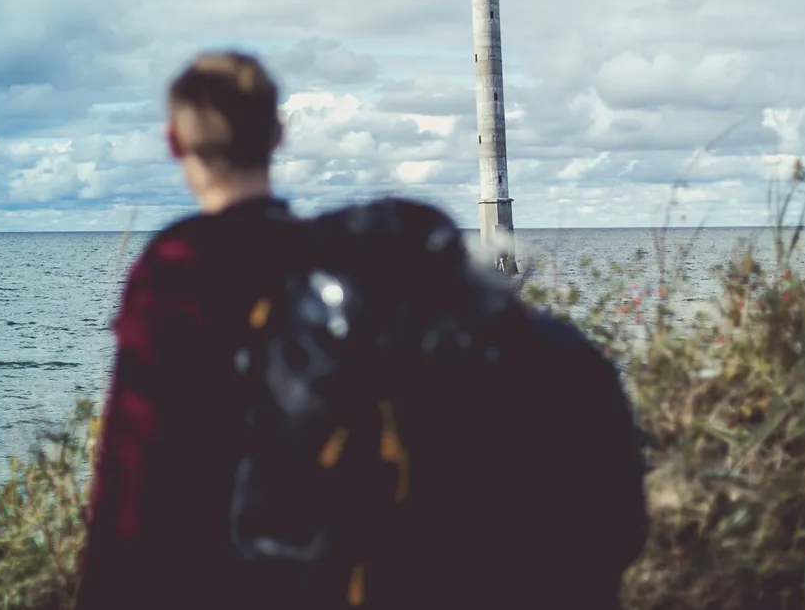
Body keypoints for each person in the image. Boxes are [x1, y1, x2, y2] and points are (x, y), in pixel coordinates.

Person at [77, 50, 648, 609]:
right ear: (277, 134)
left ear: (174, 141)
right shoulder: (333, 264)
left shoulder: (175, 271)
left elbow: (133, 479)